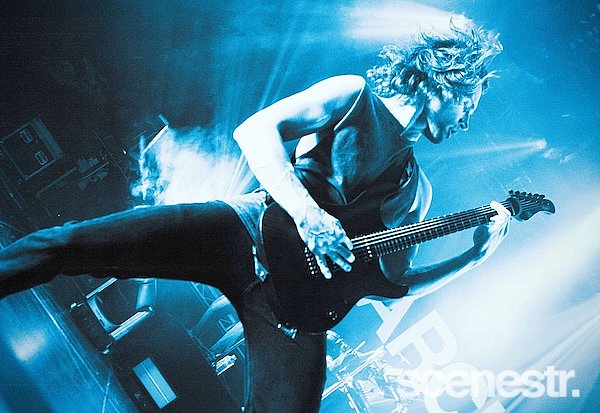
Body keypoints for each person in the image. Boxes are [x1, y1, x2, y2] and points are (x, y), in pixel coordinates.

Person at [0, 21, 509, 412]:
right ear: (444, 78)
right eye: (469, 102)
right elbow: (255, 131)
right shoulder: (354, 96)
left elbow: (391, 284)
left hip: (294, 306)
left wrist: (474, 257)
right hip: (244, 231)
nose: (467, 121)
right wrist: (309, 216)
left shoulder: (417, 191)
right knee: (64, 245)